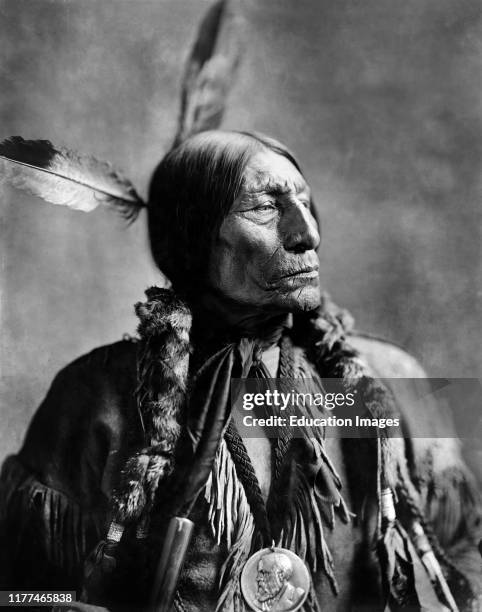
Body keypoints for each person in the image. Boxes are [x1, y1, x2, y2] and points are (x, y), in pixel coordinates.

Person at [0, 131, 481, 612]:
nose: (307, 234)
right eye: (265, 208)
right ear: (195, 236)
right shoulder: (99, 393)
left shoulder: (381, 379)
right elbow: (22, 591)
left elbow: (462, 557)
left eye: (305, 203)